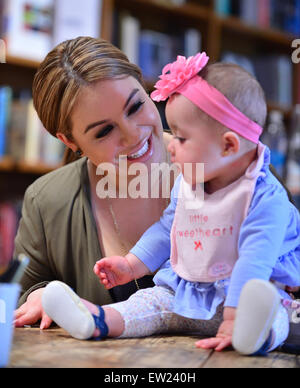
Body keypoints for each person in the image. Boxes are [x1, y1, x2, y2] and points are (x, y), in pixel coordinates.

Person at [41, 53, 300, 355]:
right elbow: (167, 229)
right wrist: (131, 264)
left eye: (181, 138)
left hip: (244, 304)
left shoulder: (266, 198)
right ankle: (98, 320)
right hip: (186, 297)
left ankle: (253, 335)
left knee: (276, 312)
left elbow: (255, 260)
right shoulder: (189, 183)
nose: (170, 146)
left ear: (229, 145)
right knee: (148, 302)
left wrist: (233, 318)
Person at [13, 36, 174, 329]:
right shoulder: (46, 202)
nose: (132, 134)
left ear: (144, 86)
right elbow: (20, 295)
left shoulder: (236, 164)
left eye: (136, 106)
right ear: (70, 140)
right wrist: (39, 296)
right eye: (104, 131)